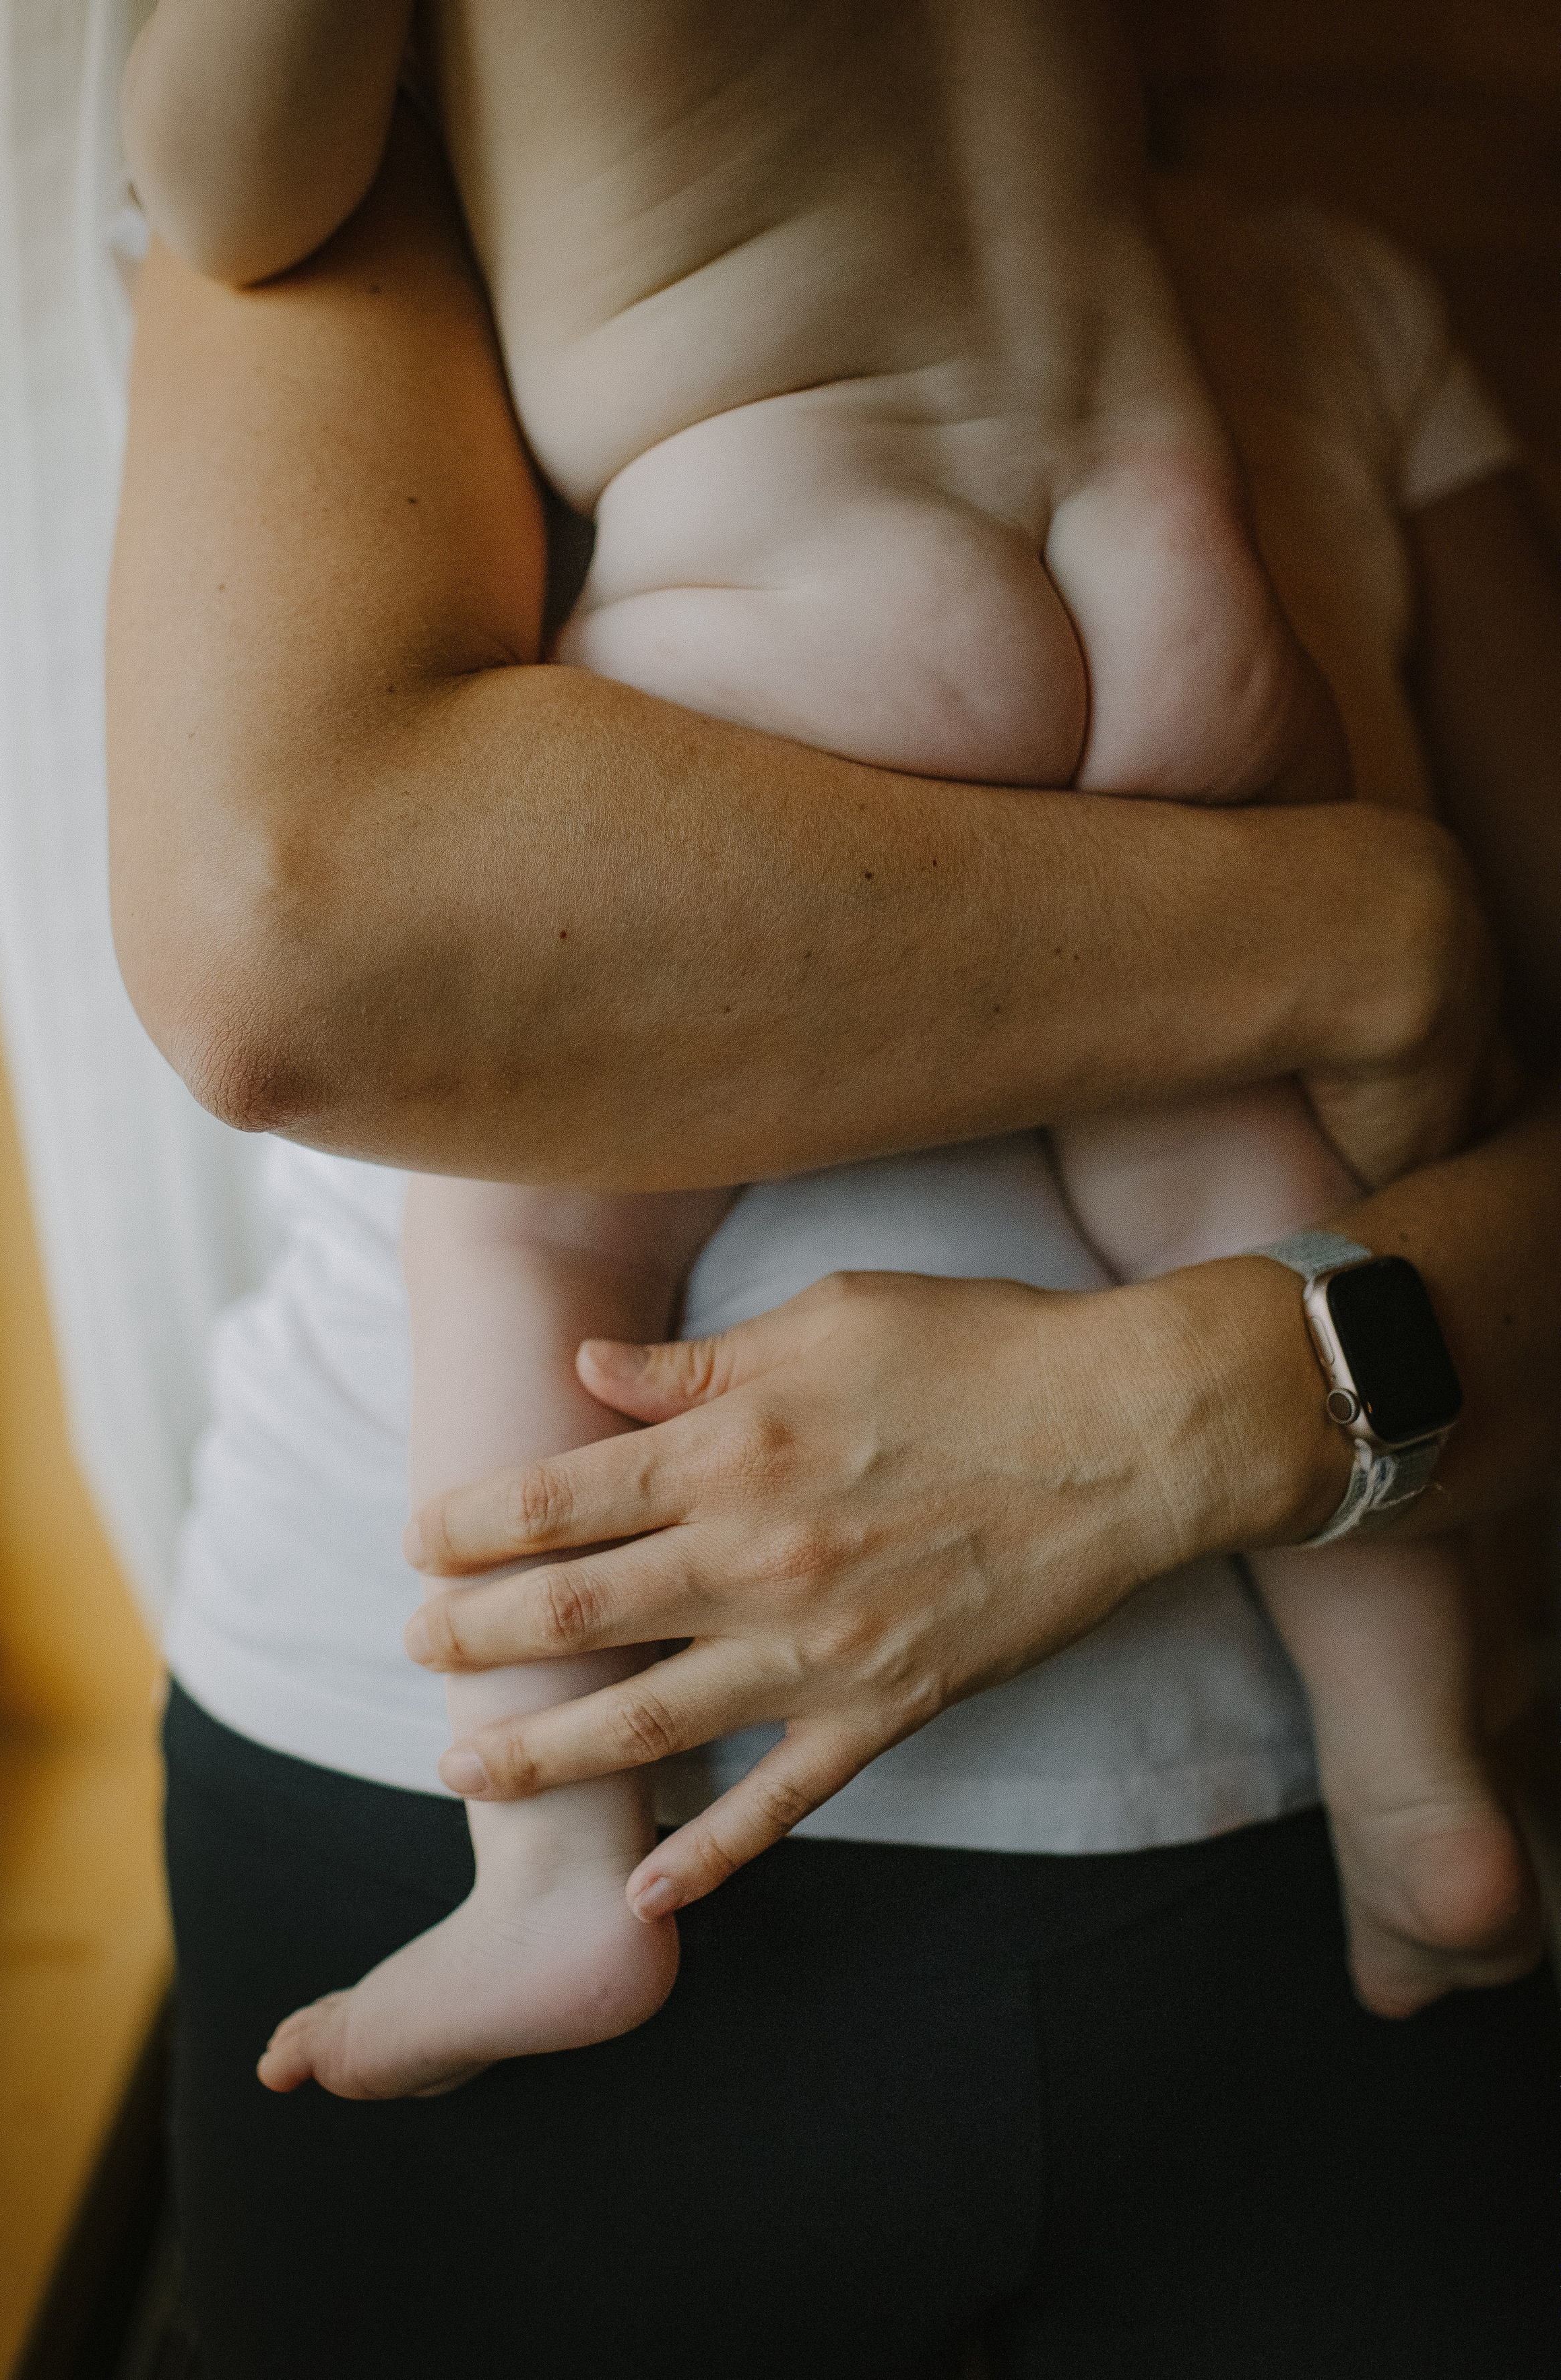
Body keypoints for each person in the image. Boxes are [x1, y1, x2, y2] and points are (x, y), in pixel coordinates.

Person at [106, 21, 1561, 2377]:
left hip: (815, 562)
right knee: (1233, 1159)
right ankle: (1427, 1787)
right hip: (1165, 571)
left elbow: (228, 174)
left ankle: (557, 1877)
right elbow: (284, 940)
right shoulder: (1221, 209)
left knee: (526, 1205)